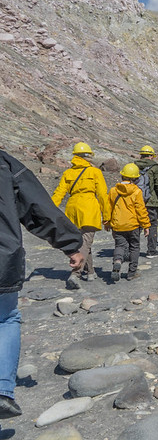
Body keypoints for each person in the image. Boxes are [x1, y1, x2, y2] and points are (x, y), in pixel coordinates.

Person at [0, 150, 84, 418]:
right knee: (5, 319)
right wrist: (70, 244)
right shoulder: (4, 164)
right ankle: (2, 391)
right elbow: (36, 204)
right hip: (1, 257)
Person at [51, 142, 111, 289]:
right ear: (87, 156)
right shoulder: (95, 172)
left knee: (82, 242)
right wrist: (107, 216)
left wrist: (49, 210)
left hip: (72, 209)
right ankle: (76, 273)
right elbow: (103, 195)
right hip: (89, 208)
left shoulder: (68, 173)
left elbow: (58, 194)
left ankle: (90, 272)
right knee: (85, 242)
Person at [106, 164, 151, 282]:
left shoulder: (113, 191)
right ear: (135, 178)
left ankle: (117, 261)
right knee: (134, 248)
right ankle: (131, 273)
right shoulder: (136, 191)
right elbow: (141, 210)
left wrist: (106, 222)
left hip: (118, 225)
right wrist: (146, 225)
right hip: (133, 225)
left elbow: (108, 208)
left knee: (119, 246)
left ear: (122, 175)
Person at [134, 145, 158, 258]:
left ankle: (132, 251)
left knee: (136, 226)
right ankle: (151, 250)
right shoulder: (155, 168)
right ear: (151, 156)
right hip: (150, 201)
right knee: (152, 225)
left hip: (135, 201)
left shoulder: (133, 166)